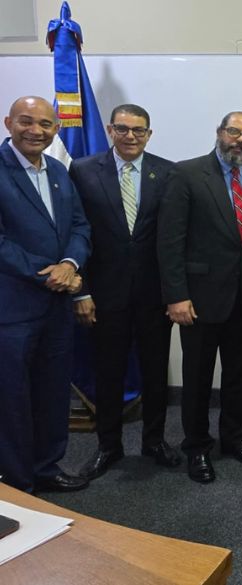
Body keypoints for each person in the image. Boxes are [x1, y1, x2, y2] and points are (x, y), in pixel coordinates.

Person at [157, 111, 242, 484]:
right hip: (199, 299)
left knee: (240, 374)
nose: (240, 140)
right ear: (219, 132)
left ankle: (234, 438)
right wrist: (176, 296)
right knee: (197, 378)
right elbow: (170, 240)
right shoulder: (187, 174)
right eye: (234, 132)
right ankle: (196, 447)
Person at [70, 104, 179, 480]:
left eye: (139, 130)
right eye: (123, 128)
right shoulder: (83, 171)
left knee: (154, 371)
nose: (130, 136)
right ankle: (108, 446)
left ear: (149, 134)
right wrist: (80, 290)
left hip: (154, 296)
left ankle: (154, 441)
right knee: (109, 372)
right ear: (110, 130)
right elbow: (76, 231)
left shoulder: (166, 172)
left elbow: (173, 238)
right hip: (105, 294)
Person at [0, 96, 90, 493]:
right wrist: (46, 274)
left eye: (45, 124)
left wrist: (70, 264)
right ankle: (18, 482)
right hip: (14, 308)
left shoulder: (57, 170)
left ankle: (47, 468)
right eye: (26, 121)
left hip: (56, 305)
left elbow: (79, 226)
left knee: (53, 390)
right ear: (8, 123)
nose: (35, 130)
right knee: (13, 398)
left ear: (56, 129)